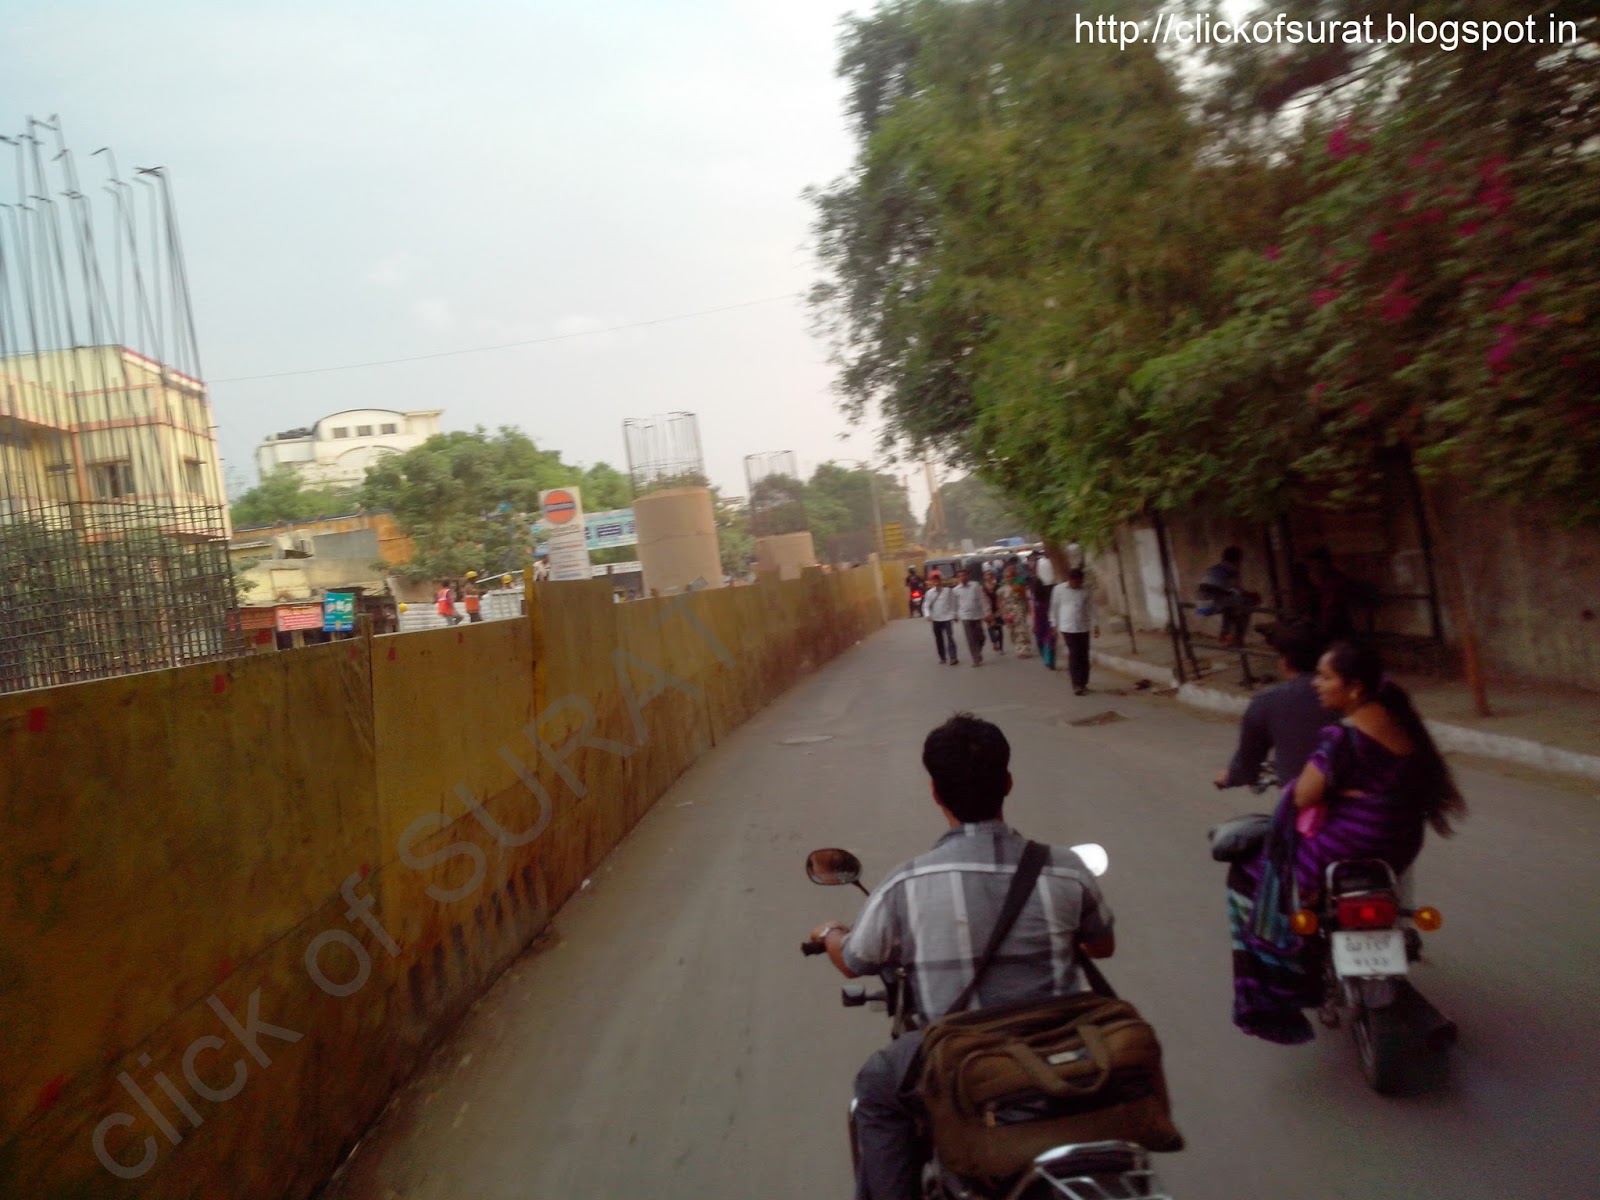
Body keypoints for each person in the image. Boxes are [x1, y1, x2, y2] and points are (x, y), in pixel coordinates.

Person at [806, 713, 1115, 1200]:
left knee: (876, 1089)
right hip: (1060, 1044)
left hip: (957, 1057)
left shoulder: (906, 884)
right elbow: (1101, 946)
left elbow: (855, 961)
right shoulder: (1066, 869)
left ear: (935, 792)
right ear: (1008, 783)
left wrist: (829, 932)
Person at [1226, 640, 1465, 1044]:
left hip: (1348, 845)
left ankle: (1284, 979)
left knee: (1249, 874)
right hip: (1398, 843)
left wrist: (1326, 790)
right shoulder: (1401, 722)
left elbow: (1304, 795)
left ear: (1353, 688)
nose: (1316, 684)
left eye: (1325, 676)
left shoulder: (1342, 736)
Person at [1214, 621, 1334, 790]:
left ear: (1284, 661)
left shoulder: (1270, 700)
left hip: (1308, 797)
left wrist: (1233, 776)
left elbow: (1249, 755)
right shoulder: (1351, 695)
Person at [1049, 567, 1099, 695]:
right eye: (1074, 582)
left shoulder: (1086, 591)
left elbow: (1091, 607)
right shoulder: (1059, 590)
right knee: (1074, 654)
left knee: (1084, 655)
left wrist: (1096, 624)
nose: (1076, 584)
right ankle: (1076, 684)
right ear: (1069, 580)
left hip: (1083, 627)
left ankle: (1084, 682)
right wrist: (1053, 625)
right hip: (1067, 627)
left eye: (1079, 582)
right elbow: (1054, 608)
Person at [1306, 546, 1357, 641]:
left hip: (1337, 629)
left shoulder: (1336, 582)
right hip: (1326, 626)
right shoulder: (1317, 584)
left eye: (1317, 565)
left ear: (1325, 564)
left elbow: (1331, 612)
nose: (1313, 570)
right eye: (1311, 567)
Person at [952, 568, 988, 667]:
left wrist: (986, 612)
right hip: (965, 616)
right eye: (960, 576)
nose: (963, 577)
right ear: (958, 578)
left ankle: (978, 651)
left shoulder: (975, 586)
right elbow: (954, 604)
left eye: (964, 575)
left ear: (968, 576)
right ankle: (975, 659)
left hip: (977, 614)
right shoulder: (955, 590)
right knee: (970, 639)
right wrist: (954, 614)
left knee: (981, 637)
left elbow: (981, 599)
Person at [998, 560, 1034, 658]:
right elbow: (1000, 602)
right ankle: (1017, 647)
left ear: (1014, 577)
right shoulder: (1001, 590)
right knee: (1013, 631)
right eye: (1006, 577)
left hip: (1019, 610)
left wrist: (1028, 609)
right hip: (1008, 612)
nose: (1008, 579)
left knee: (1021, 630)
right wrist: (1003, 613)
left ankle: (1024, 650)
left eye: (1010, 576)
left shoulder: (1019, 587)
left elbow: (1024, 598)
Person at [1027, 552, 1056, 669]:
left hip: (1042, 615)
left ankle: (1047, 659)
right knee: (1049, 639)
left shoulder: (1036, 583)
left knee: (1043, 639)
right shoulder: (1048, 585)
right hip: (1044, 615)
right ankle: (1050, 660)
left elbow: (1033, 602)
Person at [925, 574, 959, 665]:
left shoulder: (948, 591)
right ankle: (942, 657)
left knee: (949, 637)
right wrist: (928, 615)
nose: (936, 583)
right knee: (939, 639)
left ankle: (953, 657)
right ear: (932, 582)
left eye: (938, 580)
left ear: (940, 581)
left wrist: (955, 614)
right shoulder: (929, 593)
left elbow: (953, 603)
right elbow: (926, 605)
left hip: (947, 617)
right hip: (936, 619)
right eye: (934, 581)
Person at [980, 569, 1004, 654]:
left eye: (990, 574)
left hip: (997, 608)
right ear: (984, 577)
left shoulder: (997, 586)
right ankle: (995, 642)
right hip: (987, 609)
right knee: (991, 627)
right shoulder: (982, 587)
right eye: (987, 575)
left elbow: (1001, 597)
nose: (989, 576)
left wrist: (1002, 609)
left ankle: (1001, 647)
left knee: (999, 627)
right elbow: (981, 600)